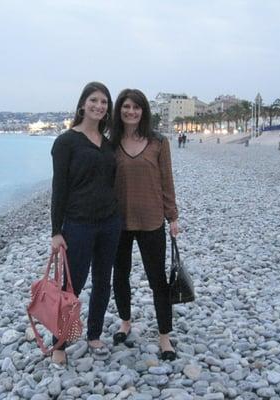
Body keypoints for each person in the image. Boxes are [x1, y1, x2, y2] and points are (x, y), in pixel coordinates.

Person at [49, 82, 121, 365]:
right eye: (94, 100)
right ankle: (59, 345)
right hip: (78, 224)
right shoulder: (66, 142)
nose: (99, 106)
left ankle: (94, 334)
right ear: (82, 104)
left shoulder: (108, 143)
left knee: (104, 280)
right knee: (72, 287)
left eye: (104, 102)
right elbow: (59, 189)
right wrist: (56, 231)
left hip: (109, 222)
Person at [110, 89, 179, 361]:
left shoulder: (158, 142)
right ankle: (125, 322)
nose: (131, 111)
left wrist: (172, 216)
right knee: (120, 276)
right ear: (119, 110)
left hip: (151, 221)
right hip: (118, 222)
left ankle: (164, 336)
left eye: (136, 107)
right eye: (126, 107)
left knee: (157, 281)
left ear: (143, 111)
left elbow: (166, 180)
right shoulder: (111, 143)